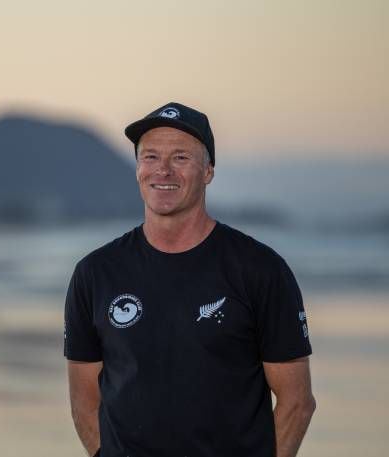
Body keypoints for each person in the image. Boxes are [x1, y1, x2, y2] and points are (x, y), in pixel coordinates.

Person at [63, 102, 315, 457]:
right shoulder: (95, 274)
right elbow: (84, 403)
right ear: (137, 168)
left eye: (180, 157)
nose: (162, 170)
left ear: (208, 170)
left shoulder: (260, 270)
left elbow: (297, 403)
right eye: (150, 157)